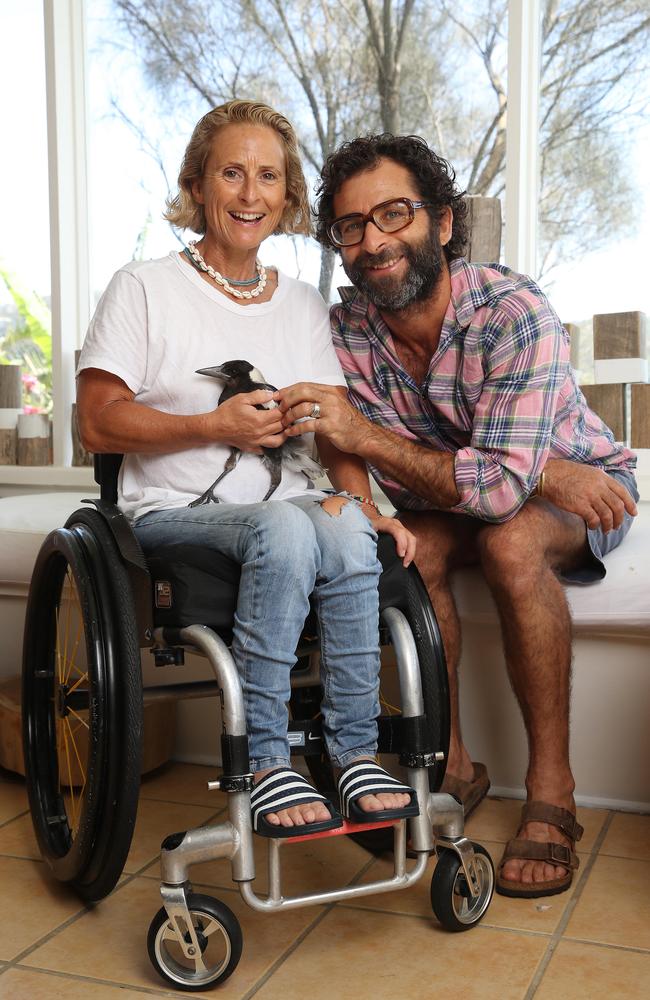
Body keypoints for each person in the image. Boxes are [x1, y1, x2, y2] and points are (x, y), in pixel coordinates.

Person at [277, 133, 639, 896]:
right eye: (352, 226)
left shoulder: (513, 311)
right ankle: (452, 765)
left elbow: (497, 494)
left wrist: (532, 472)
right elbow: (368, 458)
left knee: (509, 542)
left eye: (394, 214)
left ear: (442, 223)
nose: (373, 241)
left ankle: (553, 789)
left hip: (586, 489)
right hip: (467, 491)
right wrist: (530, 470)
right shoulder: (342, 332)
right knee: (408, 554)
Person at [76, 102, 420, 839]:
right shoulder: (142, 287)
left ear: (287, 194)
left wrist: (367, 507)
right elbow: (96, 420)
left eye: (268, 176)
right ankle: (266, 760)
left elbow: (332, 434)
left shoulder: (300, 306)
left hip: (291, 508)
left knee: (343, 527)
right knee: (287, 529)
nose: (250, 194)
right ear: (200, 185)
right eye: (232, 173)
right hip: (174, 514)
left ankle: (354, 752)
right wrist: (212, 424)